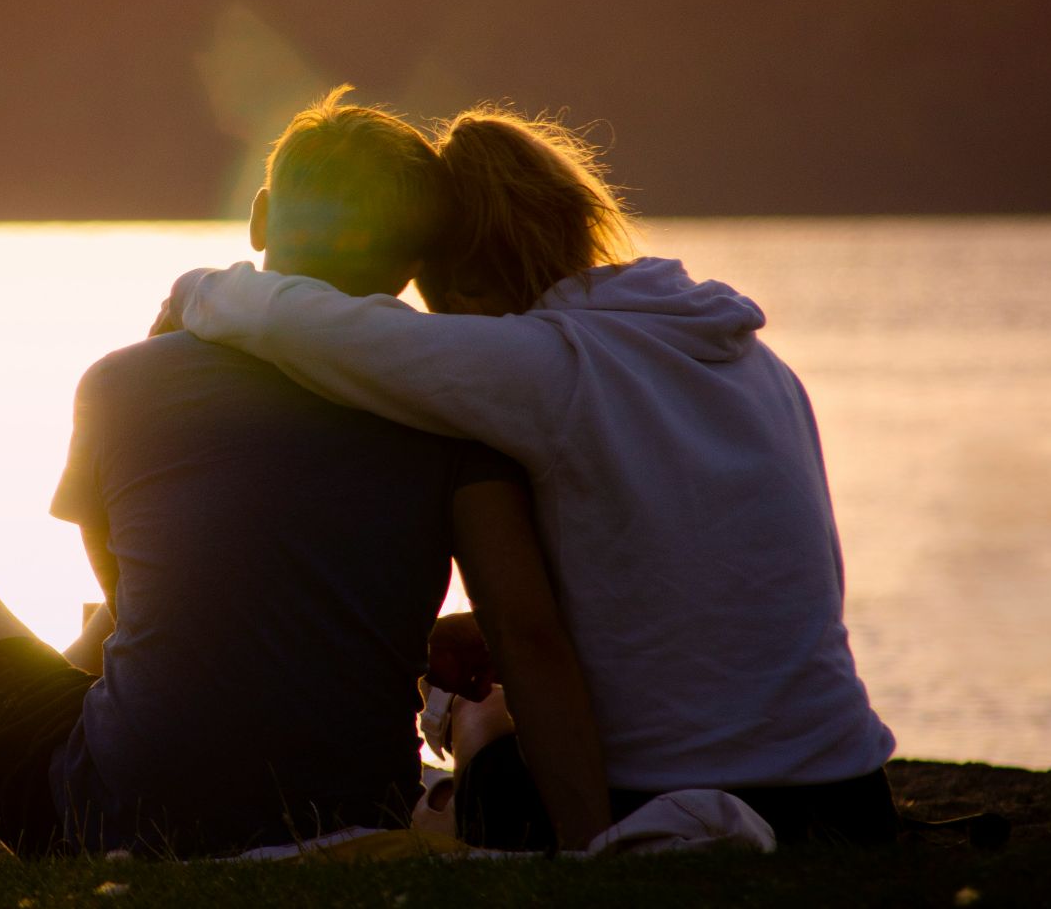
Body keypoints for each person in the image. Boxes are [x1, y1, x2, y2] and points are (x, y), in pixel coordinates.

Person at [0, 91, 610, 861]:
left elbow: (136, 599)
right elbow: (525, 632)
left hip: (122, 817)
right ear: (415, 260)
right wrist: (591, 847)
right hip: (353, 806)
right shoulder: (453, 409)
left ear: (263, 218)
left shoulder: (122, 382)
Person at [167, 104, 900, 846]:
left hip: (665, 798)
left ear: (464, 281)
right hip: (849, 794)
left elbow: (318, 329)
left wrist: (199, 290)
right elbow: (720, 576)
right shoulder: (749, 357)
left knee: (478, 714)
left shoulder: (544, 363)